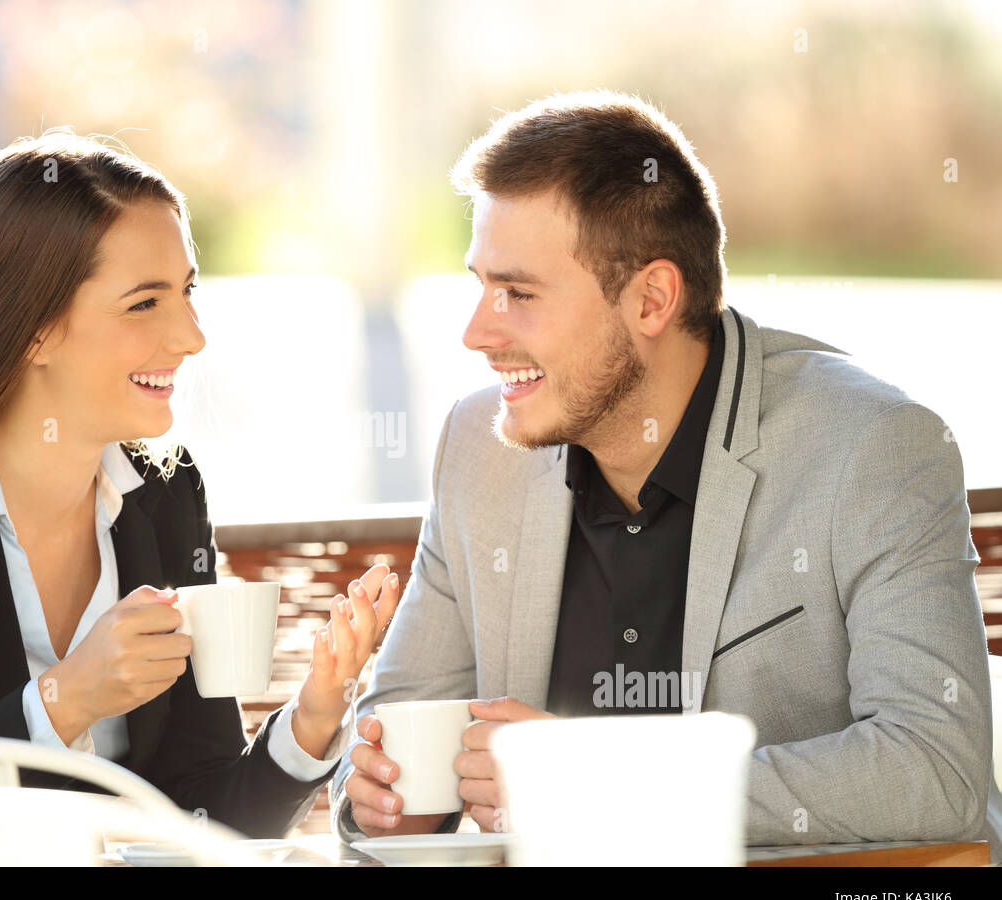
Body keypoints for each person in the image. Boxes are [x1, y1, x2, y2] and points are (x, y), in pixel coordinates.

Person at [330, 90, 1001, 860]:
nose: (476, 332)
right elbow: (391, 751)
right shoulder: (479, 450)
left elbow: (935, 769)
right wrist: (386, 799)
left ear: (651, 299)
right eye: (479, 284)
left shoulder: (873, 448)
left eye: (517, 293)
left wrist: (609, 784)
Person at [0, 132, 400, 840]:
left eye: (187, 292)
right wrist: (63, 702)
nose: (191, 336)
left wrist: (312, 718)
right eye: (145, 304)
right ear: (35, 330)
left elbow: (202, 819)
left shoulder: (163, 496)